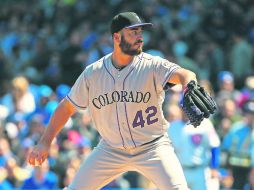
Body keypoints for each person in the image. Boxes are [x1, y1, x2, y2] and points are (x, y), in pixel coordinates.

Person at [28, 12, 200, 189]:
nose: (140, 37)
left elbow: (184, 74)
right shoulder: (93, 73)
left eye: (140, 32)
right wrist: (44, 142)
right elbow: (66, 107)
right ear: (117, 37)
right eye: (133, 32)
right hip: (111, 150)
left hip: (153, 147)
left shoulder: (151, 65)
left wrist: (189, 85)